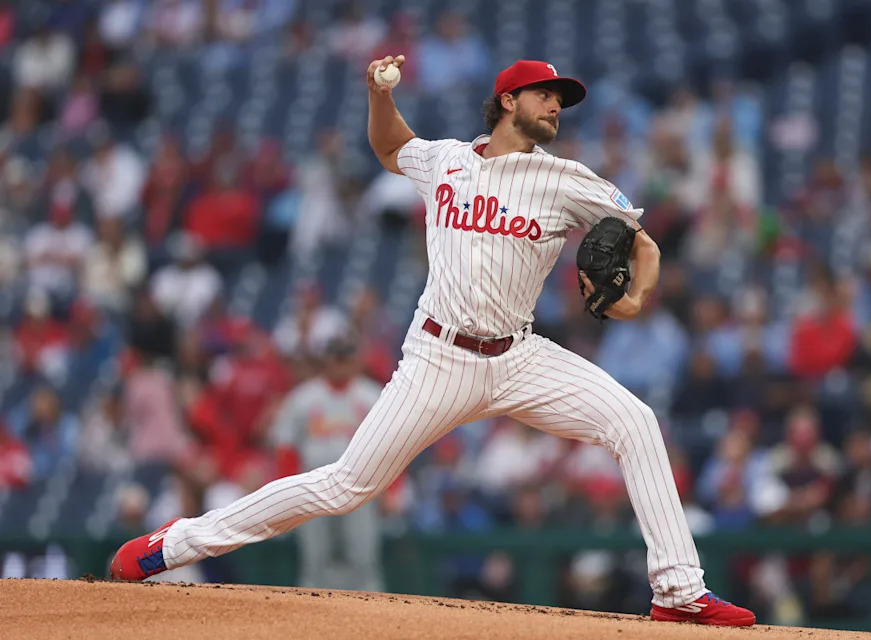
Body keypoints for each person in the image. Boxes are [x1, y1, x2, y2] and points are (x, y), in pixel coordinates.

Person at [109, 55, 755, 627]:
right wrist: (379, 96)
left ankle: (679, 590)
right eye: (546, 94)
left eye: (561, 99)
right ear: (508, 101)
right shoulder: (446, 159)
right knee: (344, 486)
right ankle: (178, 544)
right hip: (439, 357)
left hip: (520, 356)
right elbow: (392, 150)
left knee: (636, 422)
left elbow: (641, 240)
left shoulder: (566, 179)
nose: (557, 105)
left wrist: (638, 296)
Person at [270, 331, 384, 591]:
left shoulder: (373, 396)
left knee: (363, 559)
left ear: (355, 360)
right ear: (326, 360)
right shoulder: (303, 398)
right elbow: (286, 447)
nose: (341, 363)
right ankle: (311, 622)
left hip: (361, 489)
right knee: (314, 559)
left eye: (346, 357)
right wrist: (287, 491)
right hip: (313, 489)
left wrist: (393, 489)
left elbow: (393, 445)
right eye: (336, 357)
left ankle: (373, 622)